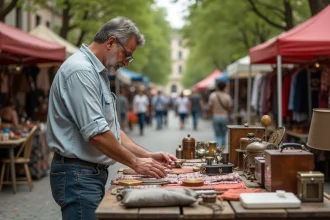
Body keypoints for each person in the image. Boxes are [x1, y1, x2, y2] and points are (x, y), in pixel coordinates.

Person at [46, 17, 177, 220]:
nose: (126, 62)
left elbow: (111, 130)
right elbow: (97, 134)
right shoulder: (82, 70)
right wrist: (136, 163)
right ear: (111, 42)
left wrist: (147, 156)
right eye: (127, 54)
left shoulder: (97, 73)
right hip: (77, 174)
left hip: (85, 174)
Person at [208, 81, 233, 148]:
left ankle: (217, 148)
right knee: (224, 134)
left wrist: (213, 113)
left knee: (217, 134)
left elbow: (210, 108)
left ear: (217, 87)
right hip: (224, 117)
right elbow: (230, 109)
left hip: (215, 116)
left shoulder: (212, 95)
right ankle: (223, 148)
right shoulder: (227, 96)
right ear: (225, 87)